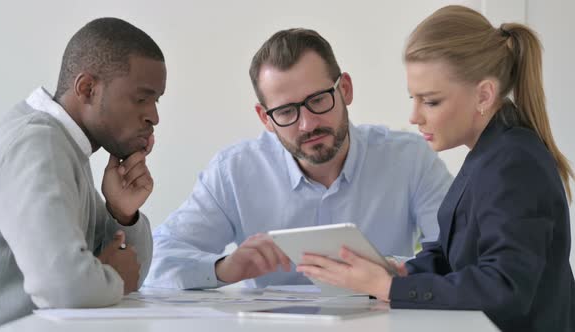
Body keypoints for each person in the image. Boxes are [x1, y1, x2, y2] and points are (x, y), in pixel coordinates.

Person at [296, 5, 574, 332]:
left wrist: (388, 288)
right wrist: (401, 273)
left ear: (484, 95)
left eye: (431, 101)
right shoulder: (491, 154)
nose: (414, 116)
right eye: (413, 98)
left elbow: (504, 289)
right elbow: (452, 254)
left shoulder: (514, 163)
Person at [145, 28, 452, 290]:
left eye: (318, 100)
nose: (307, 124)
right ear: (265, 118)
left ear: (344, 89)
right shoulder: (234, 171)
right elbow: (155, 259)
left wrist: (394, 271)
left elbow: (460, 254)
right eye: (286, 111)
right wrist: (224, 268)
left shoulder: (410, 159)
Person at [0, 17, 166, 328]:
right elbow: (65, 289)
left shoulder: (66, 147)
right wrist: (112, 277)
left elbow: (132, 274)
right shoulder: (37, 143)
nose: (154, 116)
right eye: (141, 99)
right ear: (87, 88)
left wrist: (122, 214)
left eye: (156, 101)